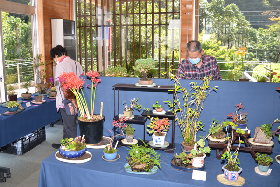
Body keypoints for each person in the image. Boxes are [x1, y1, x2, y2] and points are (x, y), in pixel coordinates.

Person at [50, 45, 83, 148]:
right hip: (77, 98)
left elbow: (61, 84)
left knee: (70, 125)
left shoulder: (60, 65)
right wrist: (75, 98)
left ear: (56, 56)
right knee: (67, 123)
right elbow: (81, 80)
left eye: (54, 58)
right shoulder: (76, 63)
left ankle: (75, 148)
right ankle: (64, 144)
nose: (54, 61)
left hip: (66, 100)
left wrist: (70, 99)